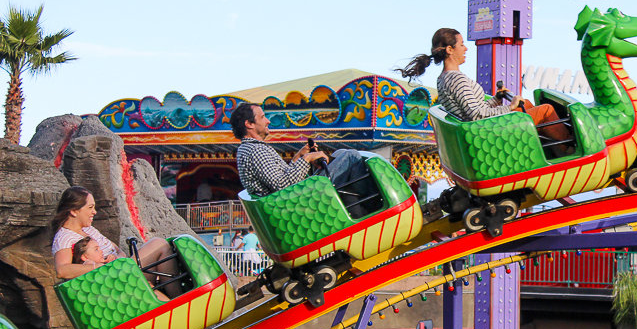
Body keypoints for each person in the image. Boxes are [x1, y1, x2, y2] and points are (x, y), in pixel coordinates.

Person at [396, 28, 572, 156]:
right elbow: (477, 115)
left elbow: (473, 108)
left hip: (481, 129)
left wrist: (497, 99)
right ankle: (567, 151)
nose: (465, 48)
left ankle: (552, 149)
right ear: (450, 50)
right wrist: (509, 107)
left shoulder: (444, 79)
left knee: (525, 104)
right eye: (462, 44)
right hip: (486, 132)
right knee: (546, 110)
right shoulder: (455, 79)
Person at [232, 103, 377, 217]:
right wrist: (307, 159)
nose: (268, 120)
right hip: (297, 203)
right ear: (249, 124)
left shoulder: (249, 149)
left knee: (341, 154)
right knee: (350, 157)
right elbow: (282, 186)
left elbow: (280, 178)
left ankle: (358, 213)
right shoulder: (256, 150)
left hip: (292, 201)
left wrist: (299, 156)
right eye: (263, 117)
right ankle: (378, 207)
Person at [51, 186, 181, 298]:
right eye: (90, 207)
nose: (94, 212)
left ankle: (178, 296)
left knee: (163, 248)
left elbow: (117, 250)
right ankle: (177, 300)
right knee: (158, 244)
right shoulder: (64, 237)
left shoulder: (89, 230)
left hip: (121, 270)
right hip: (111, 283)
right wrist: (100, 267)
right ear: (74, 211)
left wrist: (117, 258)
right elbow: (62, 270)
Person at [72, 236, 170, 301]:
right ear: (84, 257)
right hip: (120, 294)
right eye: (96, 249)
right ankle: (172, 304)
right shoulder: (88, 264)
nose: (101, 252)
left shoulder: (94, 263)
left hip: (122, 290)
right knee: (151, 290)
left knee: (149, 287)